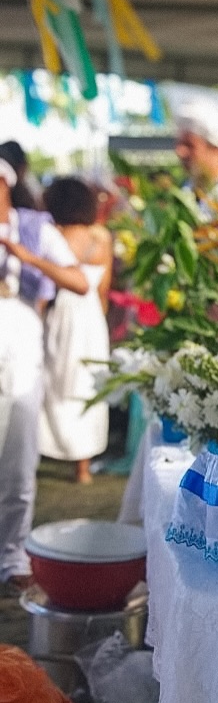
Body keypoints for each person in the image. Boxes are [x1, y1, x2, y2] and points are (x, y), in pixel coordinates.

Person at [0, 159, 87, 589]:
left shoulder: (34, 227)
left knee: (18, 455)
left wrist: (24, 256)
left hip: (20, 346)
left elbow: (78, 281)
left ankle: (13, 554)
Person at [38, 178, 112, 484]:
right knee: (88, 383)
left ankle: (44, 450)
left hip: (64, 312)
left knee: (55, 378)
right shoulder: (102, 238)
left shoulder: (54, 236)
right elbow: (105, 288)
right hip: (92, 314)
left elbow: (47, 284)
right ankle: (83, 468)